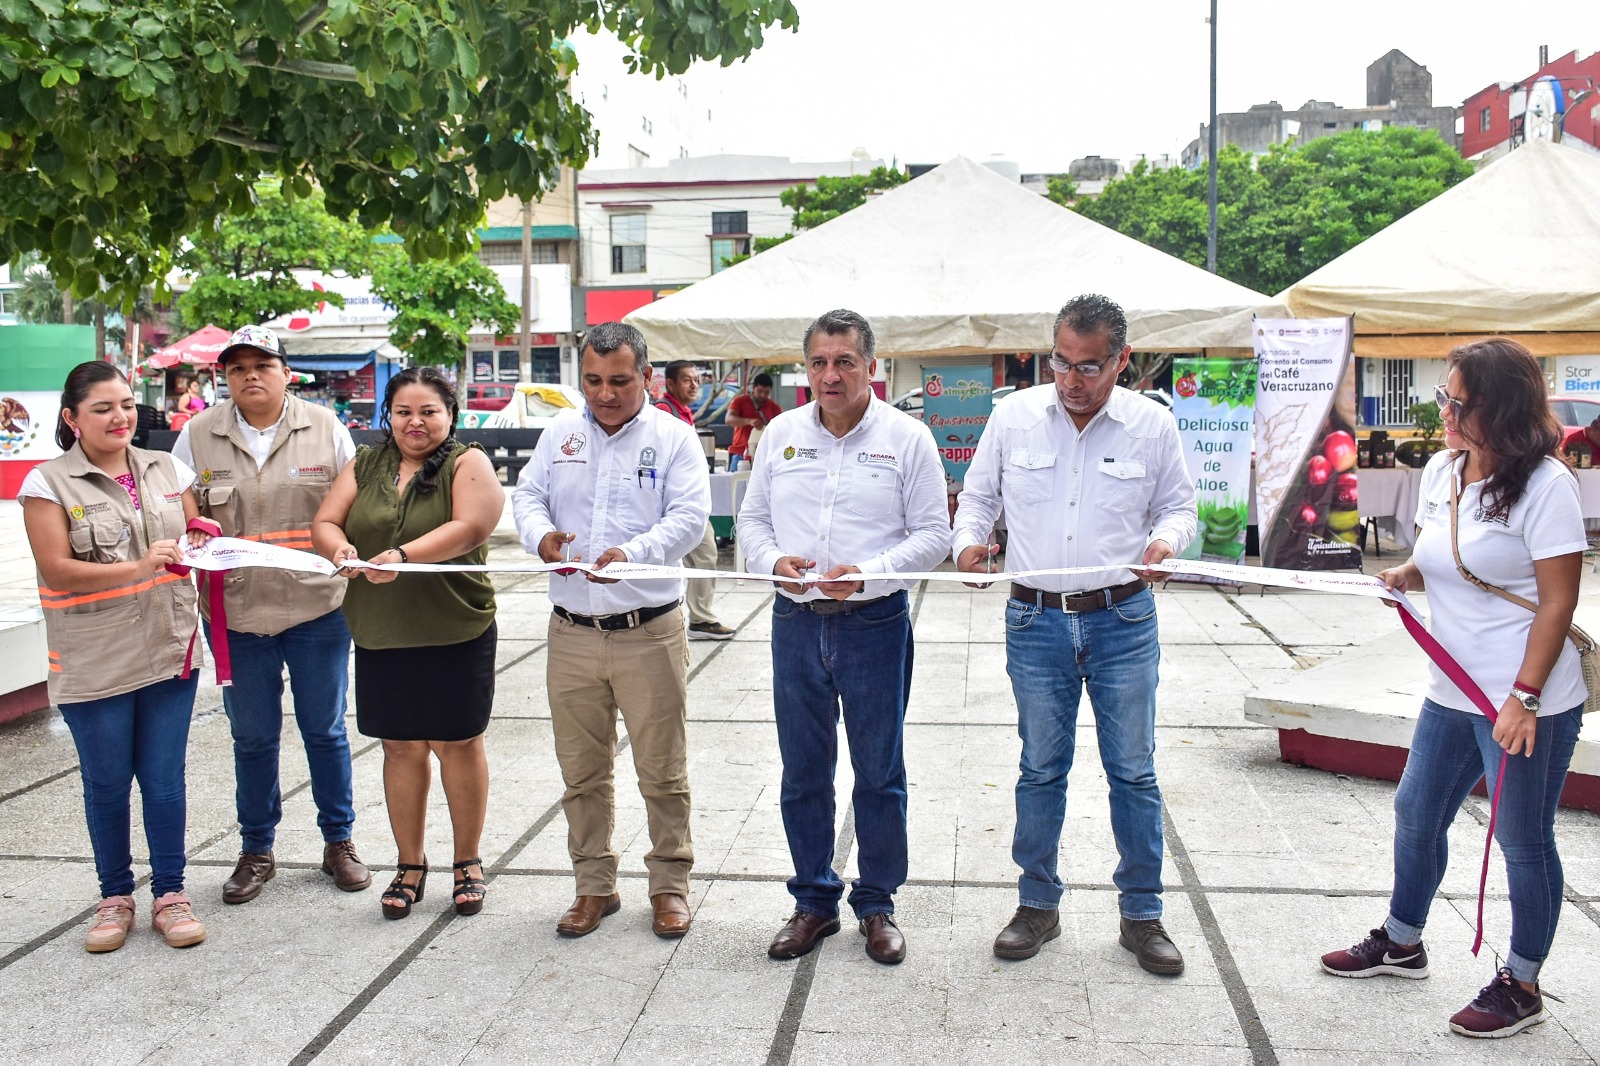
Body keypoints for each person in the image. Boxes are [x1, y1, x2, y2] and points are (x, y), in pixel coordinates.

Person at [1319, 339, 1586, 1040]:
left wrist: (1525, 696)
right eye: (1444, 396)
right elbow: (1444, 551)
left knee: (1523, 841)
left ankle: (1522, 981)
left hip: (1524, 702)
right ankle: (1403, 942)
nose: (1442, 411)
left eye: (1456, 401)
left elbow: (1558, 602)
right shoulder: (1443, 468)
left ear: (1498, 409)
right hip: (1454, 687)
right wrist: (1407, 575)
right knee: (1416, 810)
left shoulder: (1549, 485)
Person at [953, 293, 1196, 974]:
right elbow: (978, 500)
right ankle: (1037, 906)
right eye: (1061, 362)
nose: (1072, 379)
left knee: (1134, 772)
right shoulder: (1013, 418)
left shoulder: (1151, 426)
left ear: (1122, 361)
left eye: (1090, 366)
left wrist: (1166, 543)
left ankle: (1142, 916)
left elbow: (1179, 507)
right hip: (1035, 621)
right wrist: (971, 544)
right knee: (1040, 768)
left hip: (1123, 619)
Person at [737, 309, 949, 966]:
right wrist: (774, 562)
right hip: (794, 624)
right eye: (820, 363)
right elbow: (751, 524)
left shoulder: (908, 439)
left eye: (845, 362)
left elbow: (934, 536)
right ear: (807, 369)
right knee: (803, 772)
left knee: (879, 773)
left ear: (871, 367)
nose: (831, 375)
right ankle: (813, 901)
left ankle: (878, 902)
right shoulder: (780, 434)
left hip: (875, 627)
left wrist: (869, 575)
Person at [512, 322, 710, 940]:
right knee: (581, 770)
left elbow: (689, 518)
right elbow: (526, 496)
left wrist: (635, 553)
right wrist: (540, 536)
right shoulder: (560, 433)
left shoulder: (675, 438)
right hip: (571, 631)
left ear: (646, 377)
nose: (604, 394)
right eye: (592, 381)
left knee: (662, 768)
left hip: (648, 630)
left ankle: (669, 885)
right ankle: (593, 885)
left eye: (620, 381)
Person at [174, 324, 371, 904]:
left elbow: (351, 508)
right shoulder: (197, 436)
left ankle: (339, 841)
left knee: (326, 730)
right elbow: (179, 509)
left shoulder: (327, 429)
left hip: (316, 610)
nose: (250, 376)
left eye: (262, 365)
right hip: (236, 616)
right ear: (225, 378)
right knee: (253, 737)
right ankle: (256, 850)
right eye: (237, 368)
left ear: (287, 373)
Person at [20, 362, 211, 951]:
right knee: (107, 783)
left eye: (126, 405)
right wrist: (138, 567)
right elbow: (57, 569)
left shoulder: (168, 466)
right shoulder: (47, 483)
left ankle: (172, 895)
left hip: (169, 647)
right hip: (94, 657)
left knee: (163, 780)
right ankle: (114, 898)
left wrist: (203, 529)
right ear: (72, 419)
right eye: (102, 408)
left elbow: (195, 520)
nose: (119, 417)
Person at [313, 367, 504, 919]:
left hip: (454, 626)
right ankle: (409, 863)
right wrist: (340, 548)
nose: (415, 422)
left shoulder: (468, 462)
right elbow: (325, 520)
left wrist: (402, 556)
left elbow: (471, 527)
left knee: (458, 742)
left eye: (429, 411)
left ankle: (467, 861)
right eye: (403, 412)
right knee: (399, 746)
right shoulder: (366, 463)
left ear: (451, 414)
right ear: (387, 416)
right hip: (380, 627)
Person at [655, 360, 735, 641]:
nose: (693, 385)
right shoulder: (664, 412)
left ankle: (697, 616)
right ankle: (698, 618)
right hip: (673, 504)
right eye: (687, 380)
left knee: (698, 554)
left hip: (685, 500)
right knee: (703, 553)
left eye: (696, 381)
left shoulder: (682, 412)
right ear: (671, 384)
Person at [726, 372, 782, 471]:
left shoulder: (774, 407)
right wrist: (749, 421)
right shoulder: (740, 401)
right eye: (760, 391)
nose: (762, 395)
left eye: (766, 392)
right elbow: (729, 420)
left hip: (765, 455)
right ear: (753, 388)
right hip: (741, 454)